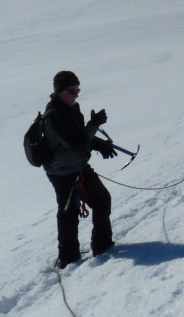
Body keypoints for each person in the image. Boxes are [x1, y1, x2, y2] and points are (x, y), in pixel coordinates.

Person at [42, 70, 118, 269]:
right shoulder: (55, 116)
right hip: (62, 172)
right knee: (68, 213)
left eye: (78, 90)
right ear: (59, 91)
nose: (76, 94)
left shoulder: (71, 109)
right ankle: (68, 258)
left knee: (101, 199)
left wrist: (98, 142)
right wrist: (94, 125)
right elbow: (76, 143)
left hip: (76, 166)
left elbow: (79, 137)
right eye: (72, 90)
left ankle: (102, 246)